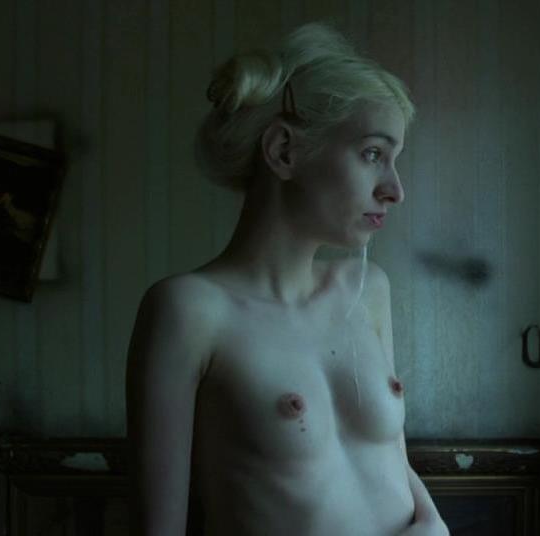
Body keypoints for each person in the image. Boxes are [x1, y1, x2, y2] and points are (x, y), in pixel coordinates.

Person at [125, 22, 448, 536]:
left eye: (395, 160)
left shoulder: (367, 289)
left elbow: (388, 456)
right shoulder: (188, 311)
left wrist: (433, 523)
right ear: (283, 151)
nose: (395, 189)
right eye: (372, 154)